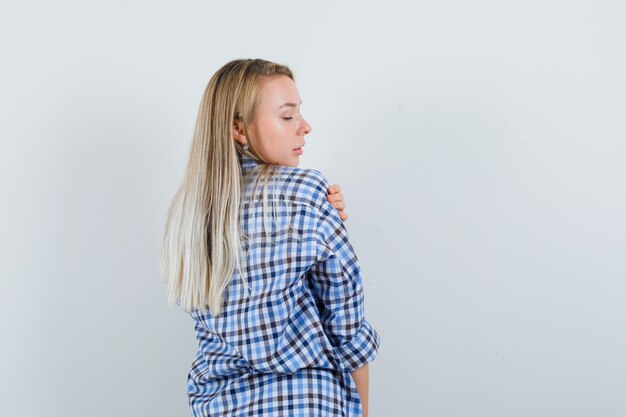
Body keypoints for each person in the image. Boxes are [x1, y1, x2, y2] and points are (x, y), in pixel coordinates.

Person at [160, 58, 381, 417]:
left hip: (219, 406)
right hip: (308, 402)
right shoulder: (308, 194)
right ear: (239, 130)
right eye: (288, 116)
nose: (305, 127)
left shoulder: (189, 215)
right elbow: (348, 331)